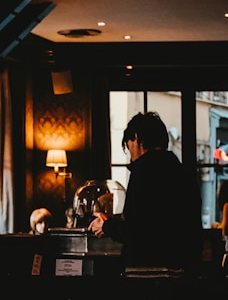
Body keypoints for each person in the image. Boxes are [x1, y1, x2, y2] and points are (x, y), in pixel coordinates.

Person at [87, 111, 203, 277]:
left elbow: (136, 230)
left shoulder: (143, 170)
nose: (131, 158)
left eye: (128, 148)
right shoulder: (183, 172)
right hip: (183, 272)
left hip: (149, 273)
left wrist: (105, 226)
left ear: (136, 138)